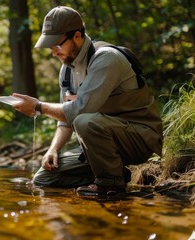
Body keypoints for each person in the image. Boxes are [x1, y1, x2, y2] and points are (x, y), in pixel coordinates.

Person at [12, 6, 163, 196]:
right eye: (50, 47)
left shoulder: (106, 58)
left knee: (84, 120)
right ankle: (118, 173)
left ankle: (110, 184)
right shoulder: (66, 70)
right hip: (101, 144)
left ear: (77, 36)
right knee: (44, 179)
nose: (53, 52)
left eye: (57, 45)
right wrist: (53, 149)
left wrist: (38, 107)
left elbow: (80, 111)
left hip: (140, 138)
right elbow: (65, 120)